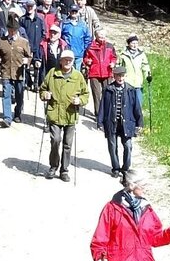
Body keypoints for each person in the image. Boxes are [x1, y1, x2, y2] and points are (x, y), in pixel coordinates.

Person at [39, 49, 89, 181]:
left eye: (70, 60)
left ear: (73, 61)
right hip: (54, 113)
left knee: (68, 144)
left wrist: (80, 101)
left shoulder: (78, 76)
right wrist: (45, 95)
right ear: (60, 61)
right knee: (55, 140)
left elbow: (85, 94)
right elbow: (42, 89)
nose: (67, 62)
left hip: (70, 114)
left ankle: (64, 170)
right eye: (65, 59)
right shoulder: (52, 73)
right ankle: (53, 166)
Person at [98, 66, 143, 178]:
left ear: (125, 76)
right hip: (111, 122)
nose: (120, 78)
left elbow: (137, 107)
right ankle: (116, 168)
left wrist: (139, 122)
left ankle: (125, 168)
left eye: (122, 75)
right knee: (112, 146)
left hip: (127, 123)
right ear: (114, 76)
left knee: (128, 146)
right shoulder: (108, 89)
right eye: (118, 75)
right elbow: (102, 106)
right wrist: (100, 122)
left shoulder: (131, 90)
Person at [0, 14, 32, 128]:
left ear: (17, 30)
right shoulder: (1, 41)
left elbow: (29, 56)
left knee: (19, 95)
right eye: (10, 29)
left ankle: (17, 113)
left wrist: (27, 61)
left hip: (19, 73)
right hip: (6, 72)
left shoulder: (23, 42)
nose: (11, 32)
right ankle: (7, 118)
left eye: (14, 30)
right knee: (6, 95)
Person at [84, 30, 117, 118]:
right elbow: (85, 58)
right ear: (96, 36)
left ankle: (107, 112)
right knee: (96, 94)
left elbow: (114, 57)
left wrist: (113, 63)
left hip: (107, 73)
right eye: (100, 36)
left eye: (103, 36)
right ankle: (98, 114)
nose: (102, 38)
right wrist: (88, 61)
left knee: (107, 93)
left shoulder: (110, 46)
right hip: (94, 73)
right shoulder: (90, 46)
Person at [20, 0, 47, 89]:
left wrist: (41, 43)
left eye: (31, 6)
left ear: (35, 7)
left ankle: (37, 85)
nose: (30, 8)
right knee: (26, 66)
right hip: (26, 47)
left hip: (38, 47)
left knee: (37, 66)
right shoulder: (22, 19)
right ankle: (28, 83)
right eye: (28, 6)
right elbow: (21, 33)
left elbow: (44, 32)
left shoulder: (40, 19)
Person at [118, 34, 152, 105]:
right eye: (133, 43)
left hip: (138, 82)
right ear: (129, 44)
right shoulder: (123, 54)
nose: (135, 45)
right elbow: (119, 67)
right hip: (127, 82)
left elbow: (145, 66)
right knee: (127, 105)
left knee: (138, 104)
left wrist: (148, 76)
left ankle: (137, 116)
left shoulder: (141, 54)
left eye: (136, 43)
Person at [61, 5, 92, 71]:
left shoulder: (83, 24)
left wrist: (83, 48)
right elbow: (60, 36)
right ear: (69, 12)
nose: (74, 13)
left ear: (78, 13)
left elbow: (87, 38)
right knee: (67, 71)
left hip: (79, 53)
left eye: (76, 12)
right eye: (73, 11)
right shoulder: (64, 23)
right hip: (67, 52)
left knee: (77, 73)